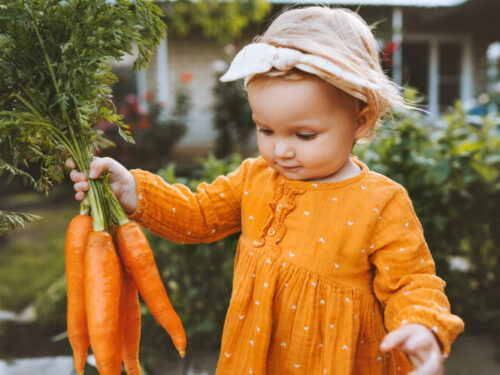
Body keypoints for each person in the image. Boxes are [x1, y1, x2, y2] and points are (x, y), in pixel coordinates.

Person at [67, 6, 464, 375]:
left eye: (304, 134)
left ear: (361, 121)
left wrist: (422, 326)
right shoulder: (256, 177)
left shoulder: (381, 201)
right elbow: (199, 215)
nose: (281, 149)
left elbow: (411, 283)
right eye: (265, 129)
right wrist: (132, 188)